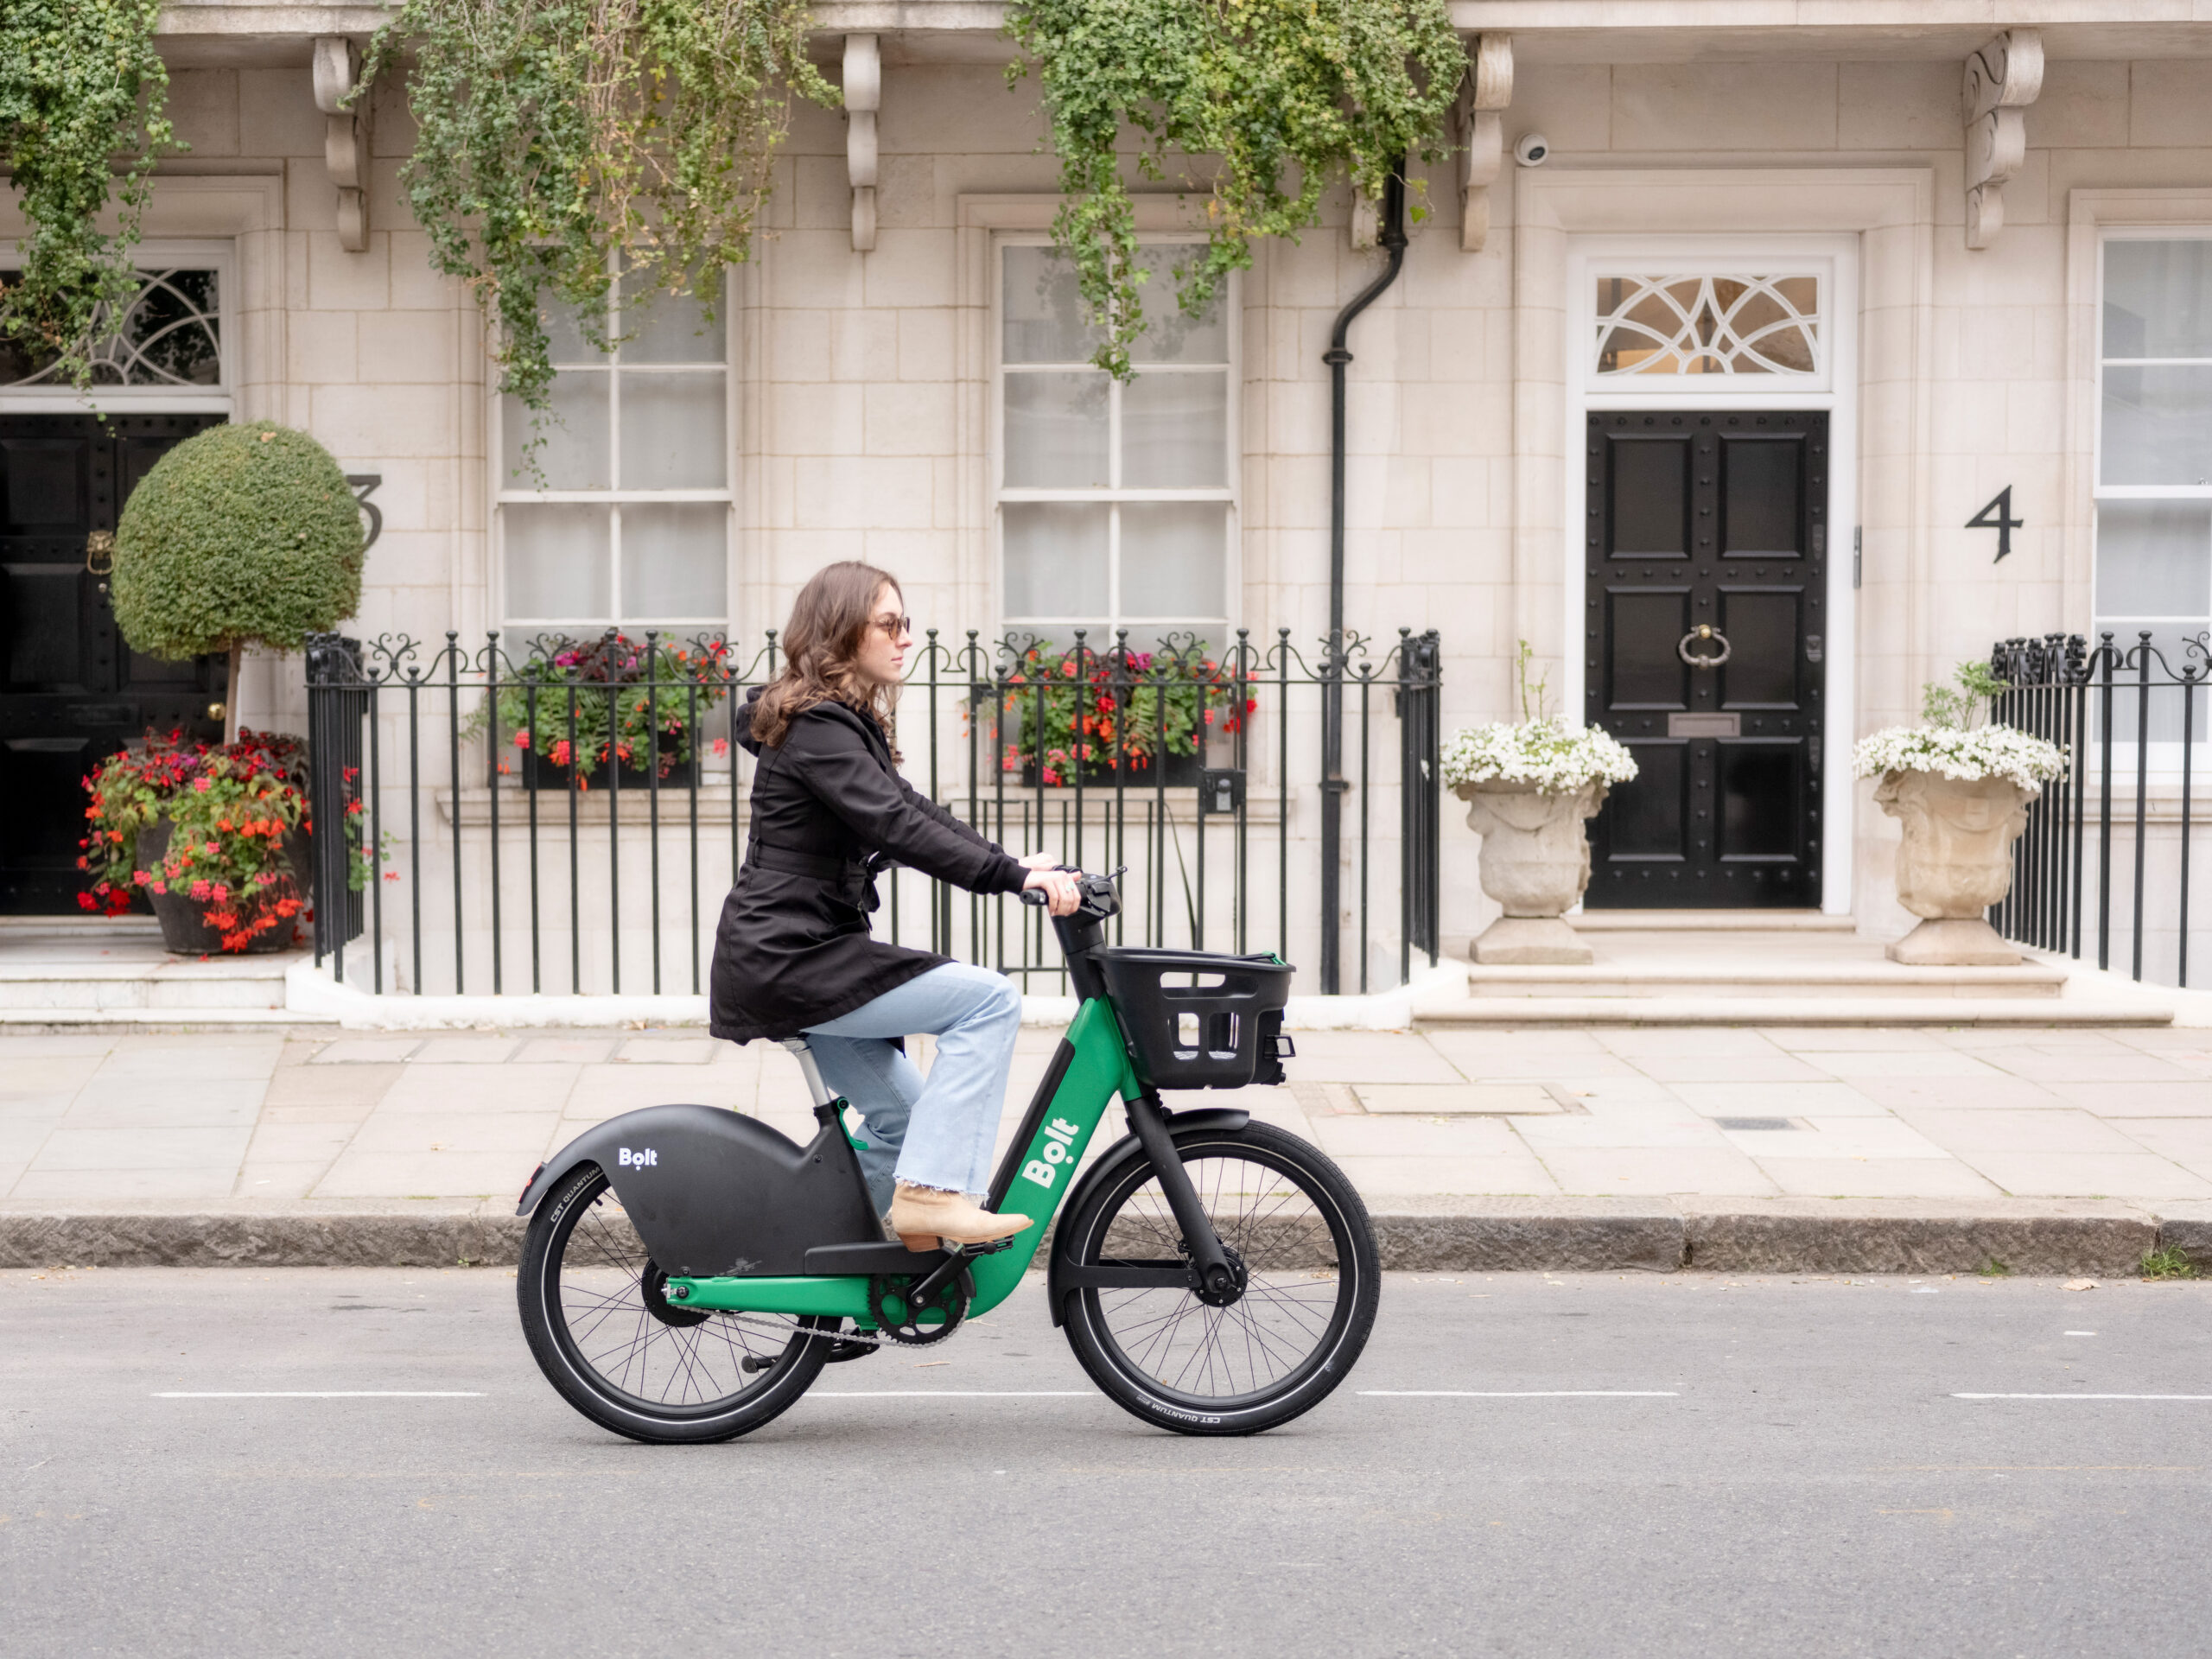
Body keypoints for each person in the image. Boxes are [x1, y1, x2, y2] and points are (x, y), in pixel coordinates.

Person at [709, 561, 1080, 1249]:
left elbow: (909, 809)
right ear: (842, 632)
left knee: (907, 1128)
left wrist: (1012, 862)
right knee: (989, 1001)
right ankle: (932, 1200)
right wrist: (1006, 877)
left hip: (805, 951)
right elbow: (895, 826)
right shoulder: (819, 726)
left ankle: (807, 1268)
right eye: (888, 623)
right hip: (792, 957)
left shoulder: (836, 724)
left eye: (906, 623)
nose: (906, 637)